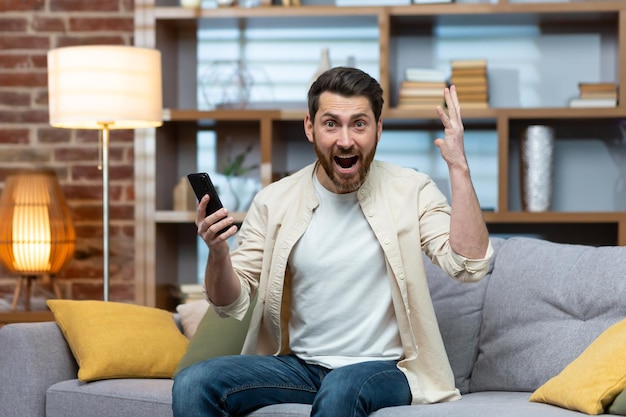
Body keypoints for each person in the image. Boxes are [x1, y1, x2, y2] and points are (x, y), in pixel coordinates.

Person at [172, 66, 493, 417]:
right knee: (195, 382)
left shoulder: (411, 190)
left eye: (359, 123)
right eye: (330, 124)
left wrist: (459, 168)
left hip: (386, 369)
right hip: (302, 368)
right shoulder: (274, 200)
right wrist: (218, 253)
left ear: (378, 129)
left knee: (342, 387)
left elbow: (469, 265)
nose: (345, 140)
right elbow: (229, 304)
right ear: (310, 128)